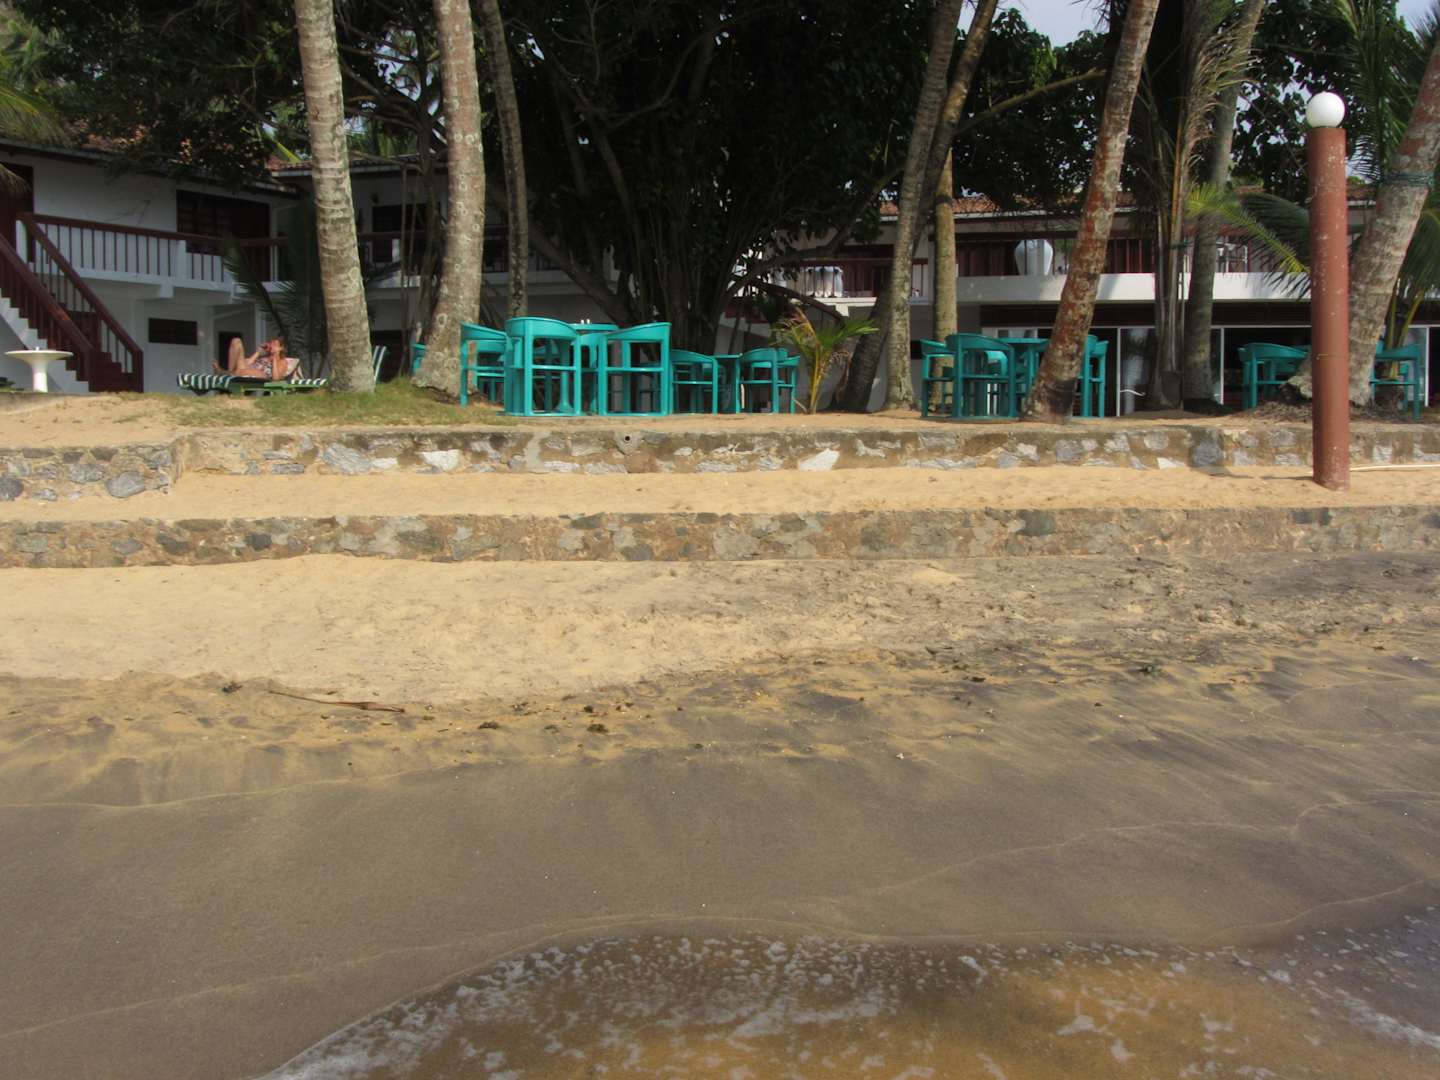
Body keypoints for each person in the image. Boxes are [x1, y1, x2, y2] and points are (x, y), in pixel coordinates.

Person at [214, 337, 301, 380]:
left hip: (262, 375)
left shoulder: (282, 361)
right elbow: (247, 363)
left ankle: (225, 373)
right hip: (246, 370)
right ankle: (229, 372)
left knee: (243, 371)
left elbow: (276, 379)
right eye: (270, 343)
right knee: (236, 341)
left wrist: (274, 358)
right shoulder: (263, 358)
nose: (271, 346)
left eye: (275, 344)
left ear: (281, 348)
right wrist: (258, 351)